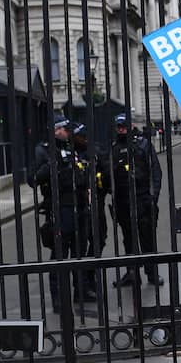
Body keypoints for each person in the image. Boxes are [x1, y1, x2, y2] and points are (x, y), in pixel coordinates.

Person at [31, 114, 94, 311]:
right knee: (60, 254)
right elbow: (33, 179)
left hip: (79, 205)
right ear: (56, 130)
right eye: (65, 129)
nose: (68, 132)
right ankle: (58, 298)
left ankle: (81, 291)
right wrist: (53, 165)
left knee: (79, 252)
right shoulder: (43, 151)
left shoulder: (70, 147)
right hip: (60, 208)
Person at [110, 113, 163, 287]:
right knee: (128, 239)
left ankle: (152, 273)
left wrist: (153, 197)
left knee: (147, 238)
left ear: (131, 126)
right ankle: (132, 273)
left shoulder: (143, 144)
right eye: (119, 127)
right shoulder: (114, 148)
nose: (121, 129)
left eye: (124, 126)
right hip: (123, 202)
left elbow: (155, 172)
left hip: (143, 198)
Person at [71, 122, 110, 297]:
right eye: (81, 136)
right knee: (79, 246)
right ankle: (81, 286)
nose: (84, 139)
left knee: (99, 239)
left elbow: (106, 173)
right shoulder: (70, 153)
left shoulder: (95, 151)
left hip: (96, 202)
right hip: (78, 205)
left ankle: (90, 275)